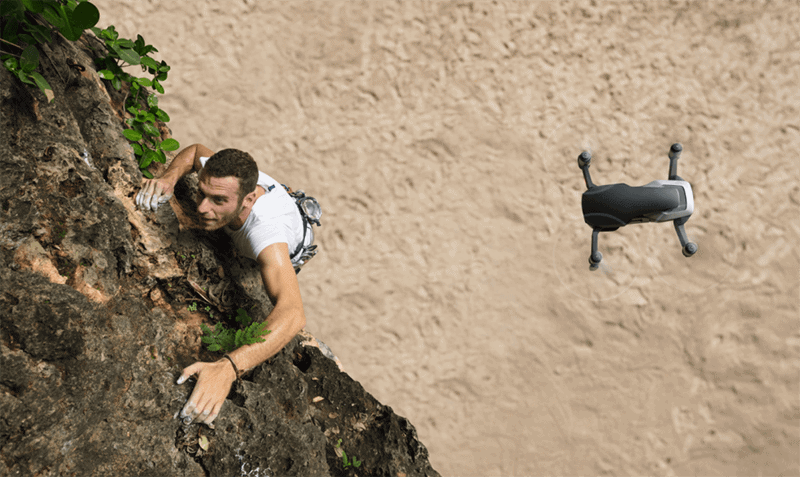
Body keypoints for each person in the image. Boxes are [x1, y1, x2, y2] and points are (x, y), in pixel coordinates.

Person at [135, 143, 316, 426]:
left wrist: (228, 368)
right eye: (201, 193)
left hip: (287, 242)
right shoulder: (217, 177)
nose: (202, 207)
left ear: (249, 199)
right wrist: (169, 179)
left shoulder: (265, 235)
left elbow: (293, 313)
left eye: (218, 201)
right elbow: (195, 152)